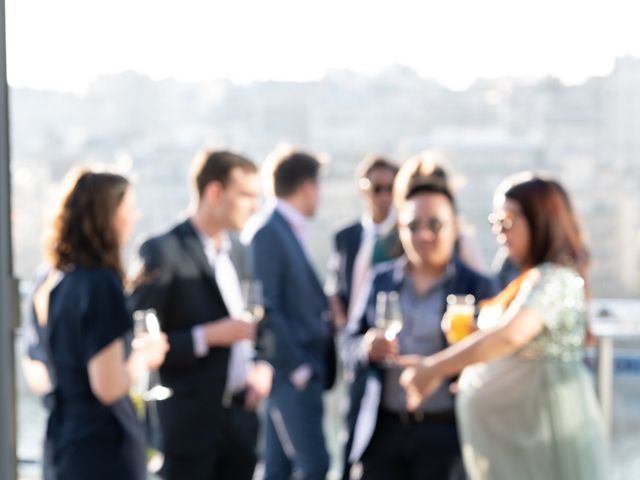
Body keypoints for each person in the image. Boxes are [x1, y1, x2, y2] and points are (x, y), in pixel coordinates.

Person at [400, 173, 607, 480]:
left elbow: (510, 336)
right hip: (517, 440)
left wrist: (434, 368)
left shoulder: (556, 279)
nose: (499, 231)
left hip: (543, 435)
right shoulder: (527, 277)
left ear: (540, 220)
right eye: (495, 221)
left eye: (507, 220)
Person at [128, 149, 272, 480]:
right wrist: (206, 337)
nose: (255, 206)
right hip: (188, 428)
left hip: (242, 423)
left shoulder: (240, 250)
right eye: (247, 195)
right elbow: (139, 341)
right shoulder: (161, 250)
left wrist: (263, 366)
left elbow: (261, 323)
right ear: (214, 193)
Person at [341, 178, 497, 480]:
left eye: (435, 225)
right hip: (383, 430)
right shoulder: (380, 279)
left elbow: (494, 356)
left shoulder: (477, 285)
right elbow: (349, 341)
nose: (423, 235)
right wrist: (366, 347)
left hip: (448, 433)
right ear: (400, 228)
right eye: (413, 226)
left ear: (454, 228)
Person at [22, 168, 169, 480]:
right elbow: (107, 386)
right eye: (128, 209)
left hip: (63, 440)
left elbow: (36, 367)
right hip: (102, 449)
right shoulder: (101, 283)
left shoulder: (49, 280)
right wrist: (143, 356)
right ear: (107, 217)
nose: (135, 217)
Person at [248, 146, 332, 480]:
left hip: (294, 371)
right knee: (314, 465)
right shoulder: (269, 231)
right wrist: (297, 367)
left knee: (277, 468)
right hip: (292, 371)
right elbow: (266, 307)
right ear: (308, 187)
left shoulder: (282, 229)